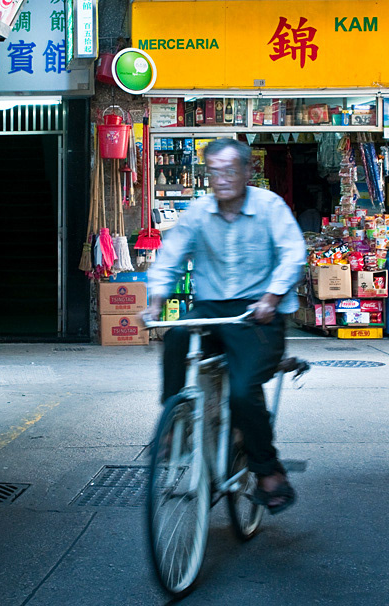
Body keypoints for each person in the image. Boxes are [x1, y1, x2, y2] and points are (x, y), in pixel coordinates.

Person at [141, 138, 307, 514]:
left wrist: (271, 297)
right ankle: (174, 421)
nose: (222, 179)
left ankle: (268, 472)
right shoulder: (198, 212)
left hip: (257, 315)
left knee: (243, 393)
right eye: (214, 172)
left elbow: (293, 254)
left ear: (247, 171)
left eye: (230, 170)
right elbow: (170, 256)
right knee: (176, 336)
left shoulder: (269, 207)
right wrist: (156, 301)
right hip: (211, 310)